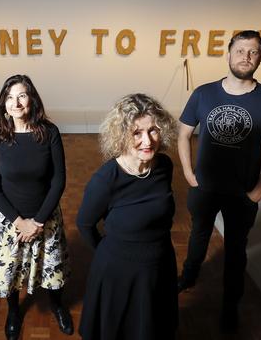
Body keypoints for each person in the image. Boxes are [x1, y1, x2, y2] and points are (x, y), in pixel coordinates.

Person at [176, 30, 261, 332]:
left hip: (243, 194)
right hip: (204, 188)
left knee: (236, 250)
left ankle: (230, 305)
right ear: (228, 54)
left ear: (260, 58)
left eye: (253, 52)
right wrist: (189, 173)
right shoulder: (203, 93)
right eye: (241, 50)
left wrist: (258, 192)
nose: (246, 57)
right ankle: (189, 276)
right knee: (198, 235)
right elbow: (184, 133)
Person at [76, 94, 178, 340]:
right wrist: (109, 252)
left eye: (153, 131)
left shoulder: (164, 166)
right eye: (137, 133)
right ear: (121, 135)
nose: (147, 141)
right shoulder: (106, 179)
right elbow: (85, 223)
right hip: (120, 272)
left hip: (160, 266)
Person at [0, 74, 73, 340]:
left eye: (21, 95)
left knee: (53, 270)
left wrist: (39, 221)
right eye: (9, 97)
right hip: (9, 220)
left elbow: (59, 180)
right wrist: (19, 222)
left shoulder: (49, 133)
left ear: (31, 99)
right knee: (10, 273)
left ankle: (57, 306)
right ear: (3, 103)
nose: (15, 103)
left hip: (45, 217)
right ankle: (13, 312)